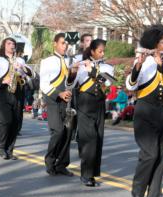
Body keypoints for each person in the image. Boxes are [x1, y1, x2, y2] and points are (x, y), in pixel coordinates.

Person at [126, 24, 163, 197]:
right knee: (150, 154)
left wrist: (160, 62)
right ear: (155, 42)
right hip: (145, 113)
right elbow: (130, 85)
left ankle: (154, 196)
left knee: (160, 155)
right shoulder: (143, 62)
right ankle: (138, 192)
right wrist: (138, 64)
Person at [73, 39, 114, 186]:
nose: (102, 54)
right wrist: (73, 70)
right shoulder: (82, 65)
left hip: (99, 104)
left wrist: (93, 70)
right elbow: (71, 83)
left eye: (103, 51)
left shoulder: (107, 67)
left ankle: (93, 173)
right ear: (92, 51)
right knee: (89, 139)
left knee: (98, 138)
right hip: (85, 103)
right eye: (100, 51)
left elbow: (108, 83)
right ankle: (86, 175)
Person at [0, 37, 32, 160]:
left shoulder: (20, 60)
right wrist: (2, 81)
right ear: (4, 46)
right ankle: (1, 147)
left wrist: (22, 68)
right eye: (9, 43)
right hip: (3, 93)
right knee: (5, 121)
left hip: (18, 93)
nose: (12, 46)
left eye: (13, 44)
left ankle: (10, 149)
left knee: (15, 123)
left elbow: (30, 73)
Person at [40, 33, 78, 176]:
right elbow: (43, 84)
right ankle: (50, 161)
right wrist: (59, 94)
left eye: (66, 44)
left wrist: (73, 75)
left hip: (66, 101)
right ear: (55, 44)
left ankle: (62, 164)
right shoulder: (47, 61)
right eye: (62, 43)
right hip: (53, 100)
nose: (65, 46)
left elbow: (71, 83)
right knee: (58, 131)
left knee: (68, 133)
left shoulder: (70, 61)